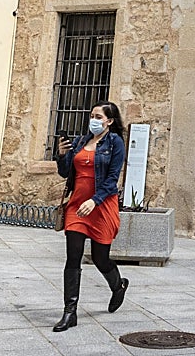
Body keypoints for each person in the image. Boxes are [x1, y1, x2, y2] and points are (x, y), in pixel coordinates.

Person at [52, 102, 128, 331]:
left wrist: (94, 201)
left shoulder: (115, 142)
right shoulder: (80, 141)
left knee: (100, 257)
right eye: (91, 115)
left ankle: (118, 286)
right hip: (77, 206)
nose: (93, 119)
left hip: (102, 205)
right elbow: (66, 172)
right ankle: (69, 312)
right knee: (72, 257)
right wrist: (62, 154)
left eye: (98, 116)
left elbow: (112, 178)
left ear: (110, 121)